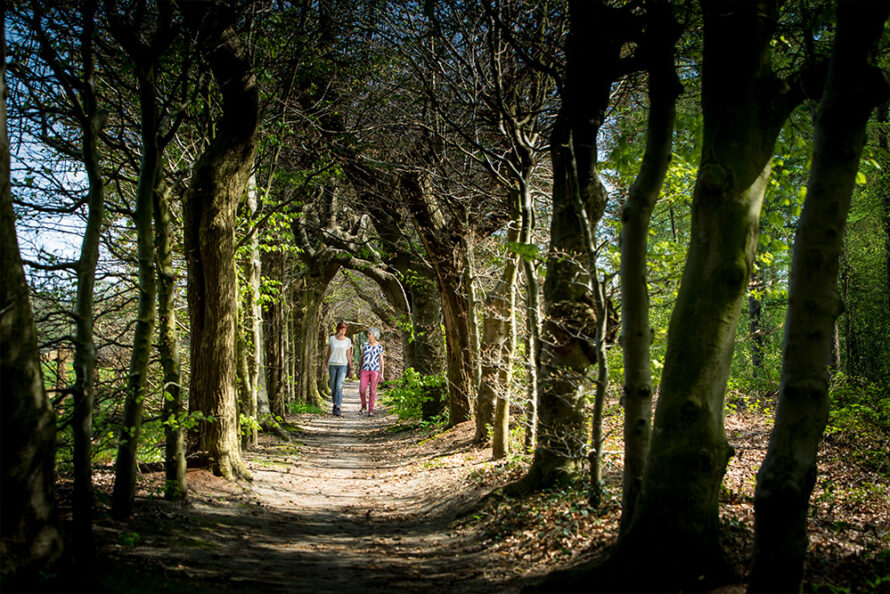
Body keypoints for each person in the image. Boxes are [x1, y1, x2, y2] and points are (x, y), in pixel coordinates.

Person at [324, 321, 353, 417]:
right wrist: (325, 365)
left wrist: (351, 368)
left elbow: (348, 355)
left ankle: (338, 407)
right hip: (332, 364)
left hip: (343, 365)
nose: (343, 332)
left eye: (344, 330)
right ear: (338, 329)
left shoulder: (348, 341)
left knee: (339, 386)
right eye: (341, 330)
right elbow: (328, 353)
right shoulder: (332, 339)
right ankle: (334, 404)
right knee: (333, 387)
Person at [358, 327, 385, 417]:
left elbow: (381, 361)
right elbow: (362, 358)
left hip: (375, 371)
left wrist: (382, 374)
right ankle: (364, 406)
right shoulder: (365, 345)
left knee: (372, 391)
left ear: (374, 335)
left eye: (369, 333)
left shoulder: (379, 346)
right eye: (368, 333)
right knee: (362, 390)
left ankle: (371, 410)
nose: (368, 335)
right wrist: (359, 369)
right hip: (365, 369)